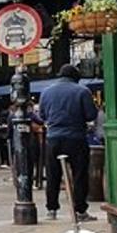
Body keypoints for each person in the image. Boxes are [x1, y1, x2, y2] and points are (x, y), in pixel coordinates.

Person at [39, 64, 99, 221]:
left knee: (53, 175)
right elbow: (91, 115)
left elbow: (42, 115)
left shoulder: (46, 92)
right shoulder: (82, 91)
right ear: (76, 77)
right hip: (76, 138)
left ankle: (51, 209)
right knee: (79, 175)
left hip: (53, 138)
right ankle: (80, 210)